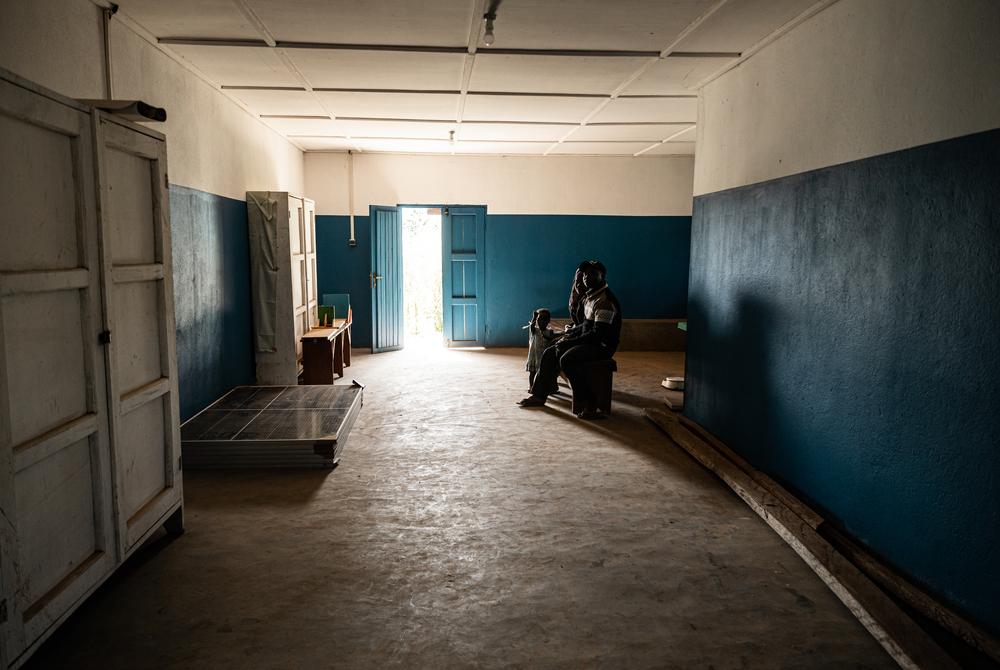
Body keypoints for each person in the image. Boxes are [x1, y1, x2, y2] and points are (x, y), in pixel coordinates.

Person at [518, 260, 622, 419]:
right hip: (592, 340)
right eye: (585, 274)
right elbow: (587, 325)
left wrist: (569, 341)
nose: (587, 278)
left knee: (567, 359)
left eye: (593, 274)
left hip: (602, 346)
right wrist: (571, 332)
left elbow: (597, 334)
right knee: (550, 351)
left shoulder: (605, 301)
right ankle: (539, 395)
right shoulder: (591, 296)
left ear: (603, 276)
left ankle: (591, 402)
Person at [524, 308, 559, 389]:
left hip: (543, 357)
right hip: (534, 357)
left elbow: (552, 339)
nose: (542, 322)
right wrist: (534, 317)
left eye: (544, 320)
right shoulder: (534, 331)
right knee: (532, 373)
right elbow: (532, 326)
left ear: (548, 321)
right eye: (539, 319)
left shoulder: (549, 332)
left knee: (545, 374)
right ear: (536, 320)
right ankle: (531, 387)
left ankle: (549, 387)